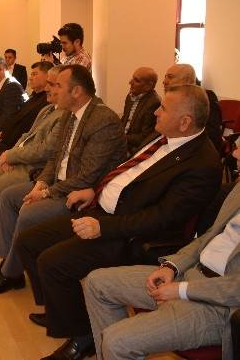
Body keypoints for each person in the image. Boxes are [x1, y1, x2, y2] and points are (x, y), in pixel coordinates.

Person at [14, 84, 222, 360]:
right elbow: (128, 171)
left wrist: (103, 227)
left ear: (185, 122)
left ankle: (82, 337)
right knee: (29, 241)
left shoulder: (203, 164)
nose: (156, 112)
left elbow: (161, 219)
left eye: (163, 108)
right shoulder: (163, 135)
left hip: (130, 234)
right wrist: (95, 191)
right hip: (103, 211)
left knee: (52, 263)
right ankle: (64, 309)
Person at [0, 64, 126, 294]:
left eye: (58, 85)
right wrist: (42, 183)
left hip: (79, 193)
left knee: (28, 211)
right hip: (58, 184)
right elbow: (55, 158)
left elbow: (88, 176)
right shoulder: (69, 114)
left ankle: (10, 274)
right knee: (8, 197)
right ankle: (7, 264)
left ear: (76, 91)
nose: (50, 90)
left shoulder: (103, 119)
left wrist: (46, 193)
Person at [83, 153, 238, 360]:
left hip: (221, 307)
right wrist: (172, 266)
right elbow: (208, 237)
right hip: (192, 274)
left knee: (116, 341)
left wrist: (182, 291)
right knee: (96, 283)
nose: (235, 152)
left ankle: (120, 348)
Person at [0, 65, 63, 234]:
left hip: (32, 167)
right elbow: (27, 135)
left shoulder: (63, 115)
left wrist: (12, 155)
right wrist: (10, 154)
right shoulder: (47, 108)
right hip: (17, 156)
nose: (47, 88)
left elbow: (45, 151)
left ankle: (3, 234)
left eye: (52, 84)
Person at [163, 63, 223, 153]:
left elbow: (212, 135)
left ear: (187, 80)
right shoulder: (173, 99)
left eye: (170, 77)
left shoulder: (206, 98)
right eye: (165, 77)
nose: (164, 81)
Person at [120, 67, 161, 155]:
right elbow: (124, 119)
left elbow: (144, 137)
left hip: (134, 149)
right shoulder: (130, 96)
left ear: (148, 86)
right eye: (132, 78)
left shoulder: (154, 103)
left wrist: (120, 137)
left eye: (136, 80)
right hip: (122, 142)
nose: (130, 82)